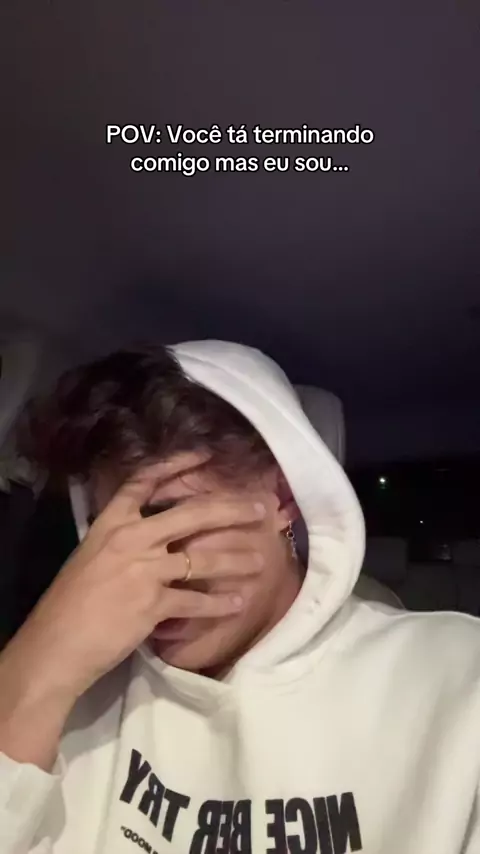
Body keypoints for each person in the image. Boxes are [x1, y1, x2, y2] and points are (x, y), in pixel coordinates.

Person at [0, 340, 479, 854]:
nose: (134, 571)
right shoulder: (73, 692)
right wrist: (35, 669)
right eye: (107, 537)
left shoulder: (454, 683)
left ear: (283, 497)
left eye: (168, 517)